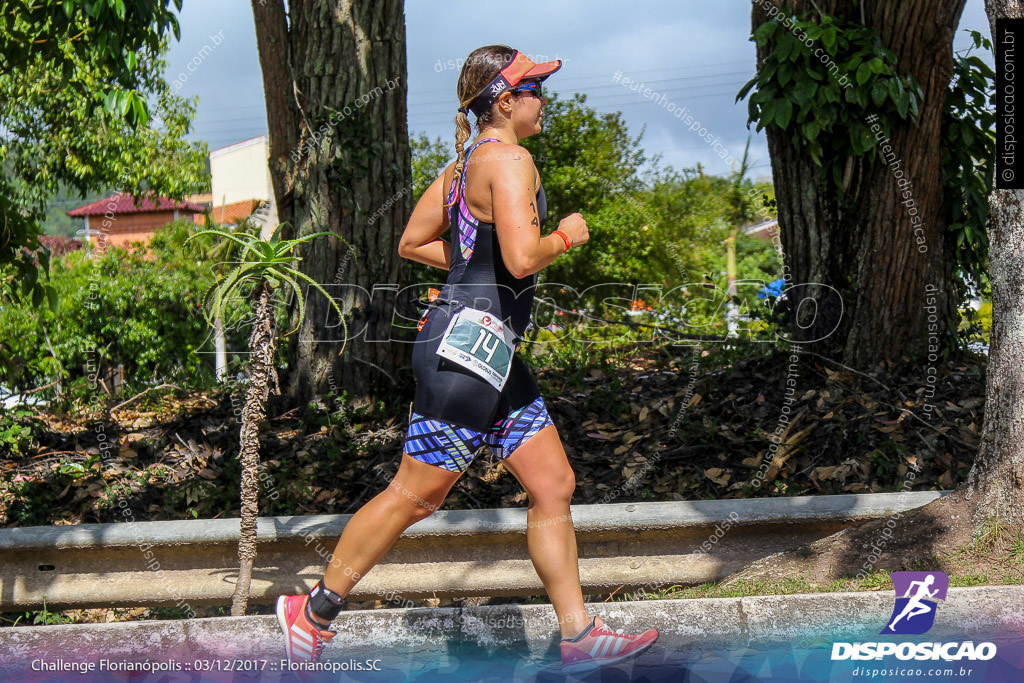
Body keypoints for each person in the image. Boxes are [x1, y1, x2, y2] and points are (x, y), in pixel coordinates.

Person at [276, 45, 658, 671]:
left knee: (553, 484)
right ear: (505, 101)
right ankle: (313, 611)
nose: (543, 99)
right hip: (467, 355)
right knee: (415, 495)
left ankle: (579, 634)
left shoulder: (460, 170)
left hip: (488, 349)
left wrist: (465, 274)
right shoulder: (510, 160)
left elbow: (412, 241)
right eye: (535, 88)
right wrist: (566, 235)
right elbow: (521, 260)